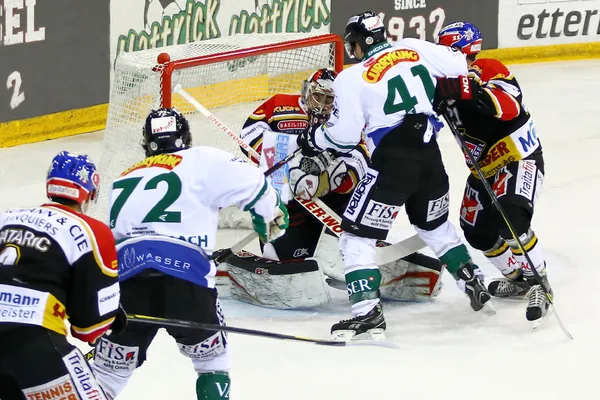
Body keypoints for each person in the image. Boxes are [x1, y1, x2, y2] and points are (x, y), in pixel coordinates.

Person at [297, 11, 494, 340]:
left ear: (358, 44)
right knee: (433, 225)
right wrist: (440, 86)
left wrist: (313, 138)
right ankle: (471, 279)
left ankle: (366, 314)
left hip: (393, 162)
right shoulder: (414, 47)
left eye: (352, 46)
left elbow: (344, 137)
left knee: (355, 237)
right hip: (430, 154)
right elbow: (462, 65)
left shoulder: (352, 77)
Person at [91, 108, 289, 400]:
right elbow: (257, 187)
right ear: (185, 138)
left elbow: (115, 241)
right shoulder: (202, 158)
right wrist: (270, 212)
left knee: (107, 375)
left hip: (127, 283)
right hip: (185, 275)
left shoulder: (123, 178)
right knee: (212, 363)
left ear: (148, 144)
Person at [221, 68, 443, 309]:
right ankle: (279, 254)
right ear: (307, 91)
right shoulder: (278, 106)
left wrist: (328, 179)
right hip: (286, 203)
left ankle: (356, 251)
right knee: (282, 252)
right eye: (319, 97)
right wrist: (288, 168)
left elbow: (363, 155)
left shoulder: (349, 116)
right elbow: (250, 136)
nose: (323, 105)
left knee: (358, 205)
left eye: (330, 100)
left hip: (329, 204)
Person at [434, 21, 551, 325]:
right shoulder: (440, 81)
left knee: (511, 218)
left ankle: (540, 282)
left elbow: (508, 106)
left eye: (450, 51)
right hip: (483, 167)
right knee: (475, 229)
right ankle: (518, 277)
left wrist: (466, 88)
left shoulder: (489, 68)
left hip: (517, 156)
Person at [0, 151, 123, 400]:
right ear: (89, 192)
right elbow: (89, 329)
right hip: (33, 343)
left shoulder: (5, 218)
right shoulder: (91, 230)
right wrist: (110, 317)